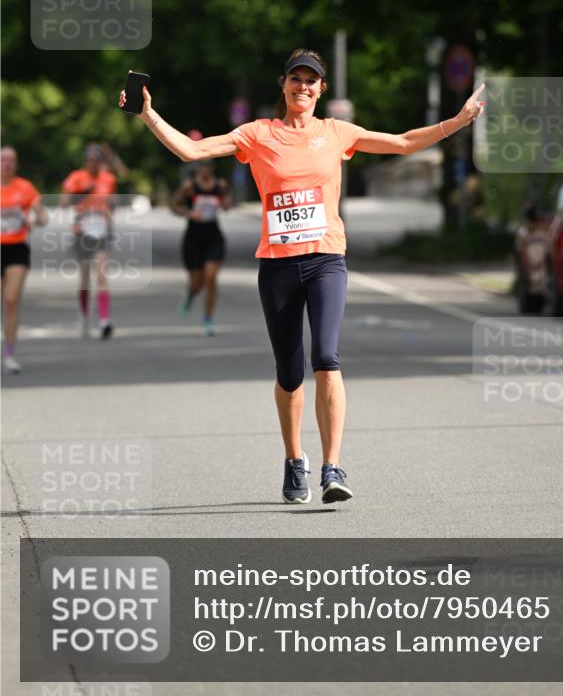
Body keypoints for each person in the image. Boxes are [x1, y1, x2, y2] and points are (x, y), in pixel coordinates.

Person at [118, 48, 484, 504]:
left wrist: (458, 121)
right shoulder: (258, 134)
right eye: (297, 79)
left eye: (312, 81)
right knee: (289, 374)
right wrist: (149, 114)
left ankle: (333, 466)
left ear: (322, 90)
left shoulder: (337, 133)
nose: (304, 87)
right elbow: (192, 150)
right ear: (284, 85)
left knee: (327, 358)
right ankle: (295, 460)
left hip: (326, 259)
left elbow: (404, 142)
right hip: (278, 265)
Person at [61, 144, 117, 339]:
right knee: (85, 277)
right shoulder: (76, 177)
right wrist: (84, 192)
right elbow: (64, 202)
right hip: (82, 231)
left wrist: (111, 220)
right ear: (86, 161)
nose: (92, 164)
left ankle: (104, 320)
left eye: (96, 160)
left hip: (101, 230)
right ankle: (83, 315)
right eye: (89, 160)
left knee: (102, 275)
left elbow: (110, 203)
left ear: (101, 162)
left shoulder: (109, 179)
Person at [170, 160, 231, 335]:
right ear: (197, 168)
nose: (205, 170)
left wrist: (225, 204)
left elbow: (226, 203)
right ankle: (190, 295)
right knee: (197, 283)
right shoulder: (189, 186)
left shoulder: (220, 185)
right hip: (193, 239)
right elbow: (173, 206)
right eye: (202, 166)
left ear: (213, 168)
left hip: (214, 237)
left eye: (208, 166)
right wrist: (189, 213)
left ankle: (208, 319)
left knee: (211, 278)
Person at [1, 146, 47, 373]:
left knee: (10, 300)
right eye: (3, 160)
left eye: (11, 160)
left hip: (17, 248)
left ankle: (9, 354)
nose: (7, 164)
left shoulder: (25, 188)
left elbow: (43, 216)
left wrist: (34, 221)